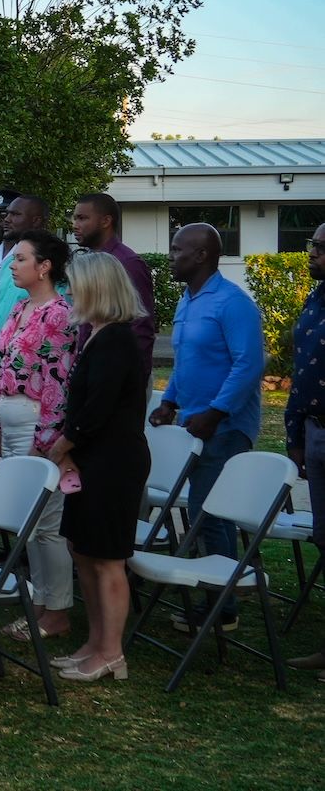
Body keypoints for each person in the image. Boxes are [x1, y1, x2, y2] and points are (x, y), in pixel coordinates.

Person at [150, 222, 264, 633]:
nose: (170, 257)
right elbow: (186, 361)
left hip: (226, 426)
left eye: (177, 250)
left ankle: (222, 607)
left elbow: (249, 364)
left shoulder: (232, 303)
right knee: (203, 512)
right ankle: (218, 595)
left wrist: (216, 412)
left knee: (209, 513)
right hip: (196, 421)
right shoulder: (188, 298)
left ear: (201, 255)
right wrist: (169, 401)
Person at [46, 251, 152, 682]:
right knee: (82, 550)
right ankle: (94, 642)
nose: (69, 293)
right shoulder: (97, 335)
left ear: (97, 289)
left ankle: (111, 652)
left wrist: (61, 446)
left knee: (107, 558)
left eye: (75, 286)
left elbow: (96, 410)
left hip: (114, 462)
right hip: (92, 458)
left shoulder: (116, 340)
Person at [0, 230, 77, 642]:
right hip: (10, 423)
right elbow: (1, 366)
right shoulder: (20, 307)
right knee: (28, 519)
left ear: (45, 267)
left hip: (39, 425)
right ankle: (40, 602)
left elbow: (59, 380)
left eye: (21, 258)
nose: (13, 264)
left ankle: (56, 611)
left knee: (46, 522)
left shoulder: (60, 314)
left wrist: (47, 439)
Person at [285, 223, 325, 678]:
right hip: (315, 432)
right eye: (313, 244)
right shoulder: (316, 298)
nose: (312, 253)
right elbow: (303, 372)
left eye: (321, 247)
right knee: (323, 537)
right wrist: (295, 436)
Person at [70, 193, 157, 382]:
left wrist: (134, 381)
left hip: (118, 379)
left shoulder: (127, 262)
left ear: (106, 221)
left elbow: (141, 326)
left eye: (82, 218)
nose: (75, 225)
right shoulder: (89, 261)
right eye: (75, 218)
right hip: (92, 369)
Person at [0, 195, 51, 334]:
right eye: (7, 214)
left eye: (15, 214)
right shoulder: (8, 263)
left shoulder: (52, 263)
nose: (7, 219)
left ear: (36, 221)